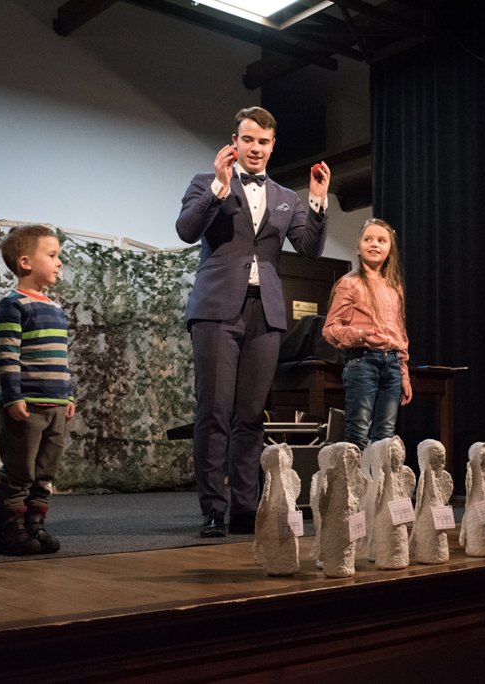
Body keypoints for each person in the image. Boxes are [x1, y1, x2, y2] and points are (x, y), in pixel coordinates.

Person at [176, 106, 330, 538]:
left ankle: (245, 508)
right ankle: (213, 508)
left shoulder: (286, 196)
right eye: (248, 140)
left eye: (263, 142)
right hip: (216, 310)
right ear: (235, 142)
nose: (256, 148)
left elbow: (310, 249)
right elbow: (186, 230)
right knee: (213, 411)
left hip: (267, 313)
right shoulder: (206, 182)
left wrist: (318, 201)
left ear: (272, 146)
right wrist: (219, 187)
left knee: (250, 416)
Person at [0, 224, 76, 556]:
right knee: (19, 471)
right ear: (26, 263)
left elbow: (62, 357)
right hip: (27, 406)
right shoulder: (13, 305)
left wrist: (69, 395)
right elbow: (8, 355)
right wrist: (13, 397)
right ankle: (9, 533)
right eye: (52, 255)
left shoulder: (55, 308)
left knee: (45, 473)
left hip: (56, 406)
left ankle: (34, 526)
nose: (59, 262)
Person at [322, 218, 411, 450]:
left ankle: (379, 476)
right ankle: (355, 475)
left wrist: (404, 374)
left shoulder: (394, 286)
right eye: (368, 239)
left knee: (385, 435)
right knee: (358, 431)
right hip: (363, 361)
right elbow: (330, 329)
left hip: (392, 363)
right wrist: (359, 334)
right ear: (358, 247)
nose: (374, 244)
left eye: (381, 240)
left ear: (390, 249)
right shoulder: (349, 283)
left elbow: (400, 332)